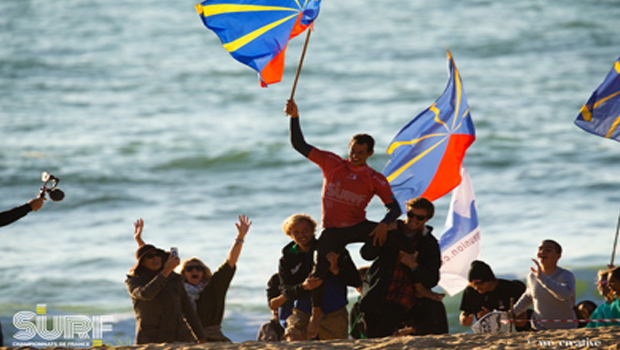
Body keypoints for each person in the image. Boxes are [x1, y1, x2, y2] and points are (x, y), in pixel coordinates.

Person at [285, 99, 401, 336]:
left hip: (358, 226)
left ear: (369, 153)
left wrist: (383, 224)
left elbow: (395, 209)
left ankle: (398, 286)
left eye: (361, 152)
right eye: (353, 150)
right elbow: (298, 144)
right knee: (319, 271)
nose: (355, 155)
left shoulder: (375, 179)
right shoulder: (332, 163)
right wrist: (294, 117)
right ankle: (316, 313)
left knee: (398, 235)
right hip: (333, 230)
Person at [134, 215, 251, 342]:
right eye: (189, 269)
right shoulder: (176, 286)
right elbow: (155, 266)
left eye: (198, 268)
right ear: (183, 273)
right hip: (182, 338)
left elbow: (230, 263)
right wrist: (140, 242)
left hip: (212, 337)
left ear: (204, 272)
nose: (194, 270)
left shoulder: (213, 287)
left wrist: (240, 238)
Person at [360, 197, 446, 338]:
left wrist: (414, 265)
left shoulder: (429, 243)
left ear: (427, 219)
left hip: (403, 293)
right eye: (411, 215)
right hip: (378, 286)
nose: (413, 220)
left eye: (420, 217)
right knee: (371, 335)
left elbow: (432, 279)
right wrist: (384, 231)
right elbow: (367, 254)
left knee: (384, 334)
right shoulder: (389, 228)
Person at [278, 213, 361, 341]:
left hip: (333, 310)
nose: (302, 235)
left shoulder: (334, 250)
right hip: (302, 310)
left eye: (305, 230)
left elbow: (355, 280)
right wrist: (304, 286)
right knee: (293, 338)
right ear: (290, 235)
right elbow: (286, 292)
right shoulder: (287, 259)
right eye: (296, 232)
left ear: (313, 230)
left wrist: (335, 270)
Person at [125, 242, 207, 344]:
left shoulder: (174, 278)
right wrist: (165, 272)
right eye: (150, 256)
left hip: (179, 335)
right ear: (142, 262)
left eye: (158, 255)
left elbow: (187, 308)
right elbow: (145, 294)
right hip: (151, 337)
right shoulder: (134, 281)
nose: (156, 258)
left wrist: (201, 337)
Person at [513, 240, 577, 330]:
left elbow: (565, 294)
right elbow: (528, 297)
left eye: (548, 250)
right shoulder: (532, 275)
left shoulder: (565, 275)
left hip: (565, 328)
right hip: (539, 328)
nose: (542, 252)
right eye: (540, 249)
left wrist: (542, 278)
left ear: (558, 256)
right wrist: (512, 313)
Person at [459, 260, 530, 331]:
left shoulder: (510, 288)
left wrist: (491, 317)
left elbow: (521, 322)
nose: (477, 288)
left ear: (491, 280)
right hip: (488, 333)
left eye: (481, 284)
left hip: (518, 331)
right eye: (474, 285)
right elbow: (465, 313)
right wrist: (464, 319)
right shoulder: (471, 291)